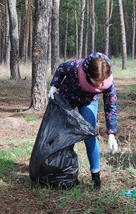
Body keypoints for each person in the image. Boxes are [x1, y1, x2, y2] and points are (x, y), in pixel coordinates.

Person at [48, 52, 119, 189]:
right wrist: (54, 86)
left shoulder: (108, 83)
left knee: (89, 134)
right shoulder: (76, 67)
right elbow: (62, 68)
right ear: (88, 74)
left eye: (102, 81)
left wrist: (111, 134)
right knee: (61, 133)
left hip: (88, 102)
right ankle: (58, 170)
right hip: (67, 97)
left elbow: (111, 107)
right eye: (96, 81)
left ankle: (95, 176)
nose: (99, 84)